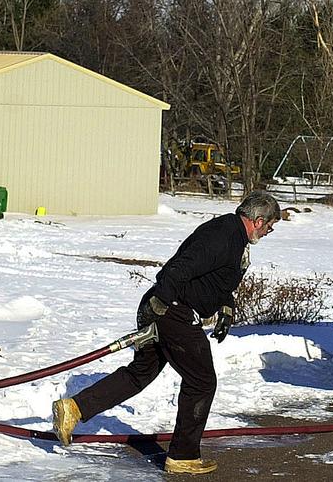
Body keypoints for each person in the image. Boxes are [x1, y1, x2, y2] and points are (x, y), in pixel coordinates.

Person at [52, 190, 281, 475]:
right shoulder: (223, 235)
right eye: (270, 225)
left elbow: (215, 278)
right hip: (172, 309)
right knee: (201, 381)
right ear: (258, 221)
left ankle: (74, 408)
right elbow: (180, 267)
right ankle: (183, 456)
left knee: (140, 373)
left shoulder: (232, 235)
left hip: (169, 307)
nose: (269, 231)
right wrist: (161, 305)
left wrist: (226, 307)